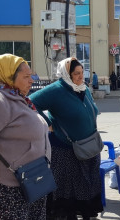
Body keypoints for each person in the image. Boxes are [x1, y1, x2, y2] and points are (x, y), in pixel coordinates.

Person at [30, 57, 103, 220]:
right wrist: (47, 122)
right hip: (66, 152)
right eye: (76, 73)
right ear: (66, 74)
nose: (80, 77)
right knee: (67, 195)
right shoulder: (57, 89)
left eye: (81, 73)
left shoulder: (83, 89)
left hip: (88, 149)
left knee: (85, 190)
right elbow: (30, 102)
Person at [0, 54, 50, 219]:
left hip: (31, 183)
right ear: (9, 76)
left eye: (31, 75)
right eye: (26, 77)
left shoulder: (20, 99)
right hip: (4, 191)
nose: (31, 80)